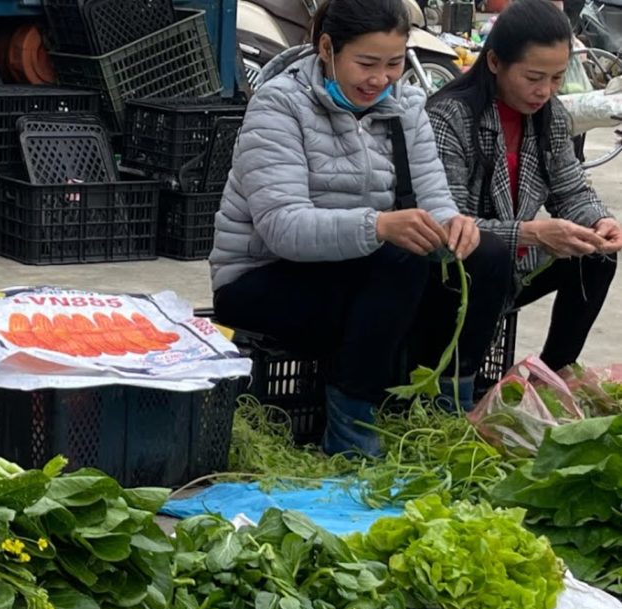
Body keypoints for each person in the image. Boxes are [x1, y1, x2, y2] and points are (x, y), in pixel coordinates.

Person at [210, 0, 514, 457]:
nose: (381, 79)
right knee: (399, 260)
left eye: (394, 64)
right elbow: (282, 227)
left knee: (487, 257)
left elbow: (434, 197)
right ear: (328, 48)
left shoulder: (405, 106)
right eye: (367, 63)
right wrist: (380, 226)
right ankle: (352, 435)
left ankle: (446, 411)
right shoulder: (279, 106)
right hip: (264, 280)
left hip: (365, 272)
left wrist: (455, 227)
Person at [427, 0, 620, 374]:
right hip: (453, 275)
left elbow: (571, 189)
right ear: (495, 62)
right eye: (533, 78)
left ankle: (554, 373)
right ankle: (459, 389)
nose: (545, 90)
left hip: (513, 266)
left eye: (556, 78)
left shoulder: (551, 117)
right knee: (491, 253)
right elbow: (449, 228)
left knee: (597, 253)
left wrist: (600, 222)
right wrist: (530, 234)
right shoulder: (449, 117)